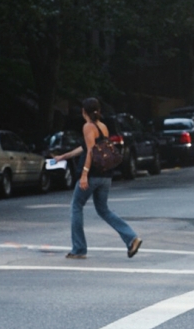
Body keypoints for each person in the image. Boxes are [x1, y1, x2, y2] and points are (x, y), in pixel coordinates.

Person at [53, 98, 142, 260]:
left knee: (76, 206)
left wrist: (84, 174)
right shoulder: (103, 127)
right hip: (105, 175)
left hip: (92, 175)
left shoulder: (88, 126)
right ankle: (131, 238)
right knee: (103, 210)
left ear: (83, 112)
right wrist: (63, 157)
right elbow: (86, 147)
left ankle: (79, 249)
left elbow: (90, 152)